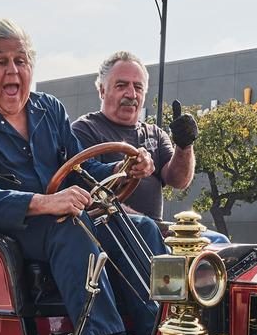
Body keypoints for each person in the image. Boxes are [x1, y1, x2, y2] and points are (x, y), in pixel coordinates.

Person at [0, 19, 164, 335]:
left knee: (140, 226)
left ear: (31, 68)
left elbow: (79, 174)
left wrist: (124, 168)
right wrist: (43, 202)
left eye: (21, 61)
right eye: (0, 61)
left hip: (61, 219)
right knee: (70, 225)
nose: (13, 71)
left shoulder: (50, 110)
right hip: (5, 231)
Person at [72, 51, 230, 243]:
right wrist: (126, 171)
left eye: (138, 87)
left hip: (158, 230)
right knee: (149, 231)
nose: (131, 94)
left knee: (219, 243)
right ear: (102, 90)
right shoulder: (84, 129)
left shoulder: (155, 133)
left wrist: (184, 145)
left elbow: (179, 181)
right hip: (108, 229)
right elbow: (85, 189)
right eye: (121, 86)